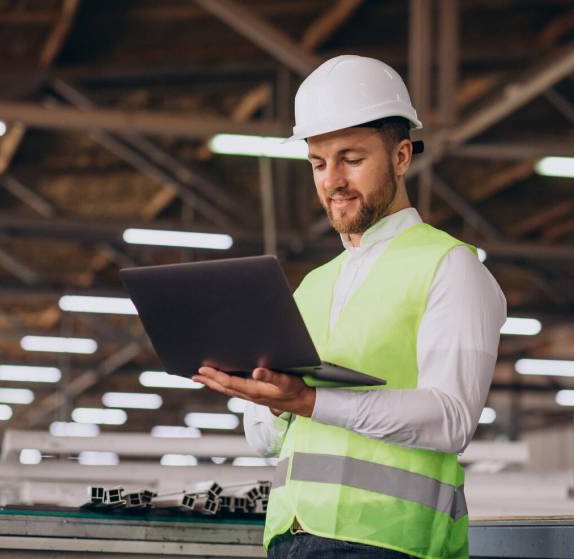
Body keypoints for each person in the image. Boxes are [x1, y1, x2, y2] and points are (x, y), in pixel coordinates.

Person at [192, 55, 506, 559]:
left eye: (351, 159)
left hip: (393, 544)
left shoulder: (450, 267)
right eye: (318, 163)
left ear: (402, 156)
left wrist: (309, 402)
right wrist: (269, 400)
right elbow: (265, 441)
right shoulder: (311, 286)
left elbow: (452, 419)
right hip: (290, 538)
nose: (331, 180)